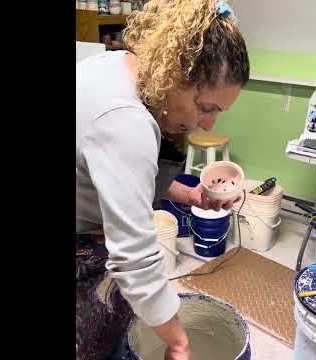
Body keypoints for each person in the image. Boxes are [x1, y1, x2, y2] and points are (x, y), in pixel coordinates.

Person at [76, 0, 249, 359]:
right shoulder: (125, 122)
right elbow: (135, 257)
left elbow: (119, 174)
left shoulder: (118, 65)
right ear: (174, 75)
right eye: (206, 107)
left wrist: (189, 195)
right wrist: (177, 341)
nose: (209, 124)